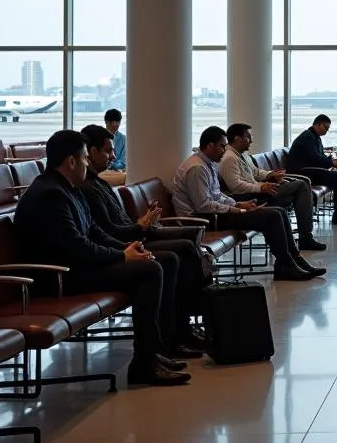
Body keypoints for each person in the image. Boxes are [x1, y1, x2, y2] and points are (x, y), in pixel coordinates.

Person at [13, 130, 192, 387]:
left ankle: (160, 347)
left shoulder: (69, 189)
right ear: (71, 161)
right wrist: (121, 255)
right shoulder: (50, 195)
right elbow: (76, 246)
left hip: (76, 267)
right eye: (85, 158)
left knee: (162, 260)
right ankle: (144, 363)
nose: (87, 163)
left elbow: (94, 231)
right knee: (149, 271)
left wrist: (129, 248)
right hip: (60, 276)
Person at [79, 124, 209, 351]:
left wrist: (142, 224)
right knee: (177, 253)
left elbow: (107, 227)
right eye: (108, 151)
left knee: (189, 239)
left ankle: (185, 323)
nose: (112, 156)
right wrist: (136, 233)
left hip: (129, 237)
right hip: (118, 245)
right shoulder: (85, 189)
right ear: (89, 153)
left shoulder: (98, 183)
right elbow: (106, 231)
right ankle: (177, 329)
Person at [173, 126, 323, 281]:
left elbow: (217, 195)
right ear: (210, 145)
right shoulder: (197, 168)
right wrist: (236, 209)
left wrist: (238, 205)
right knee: (272, 216)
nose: (225, 150)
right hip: (203, 220)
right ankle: (286, 265)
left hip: (214, 213)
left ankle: (294, 260)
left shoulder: (208, 164)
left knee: (279, 211)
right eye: (222, 146)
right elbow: (204, 206)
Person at [220, 123, 326, 251]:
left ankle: (303, 238)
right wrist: (261, 187)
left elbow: (256, 172)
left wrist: (271, 174)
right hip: (250, 197)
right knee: (301, 186)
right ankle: (305, 237)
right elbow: (236, 187)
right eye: (248, 137)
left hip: (259, 192)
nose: (251, 141)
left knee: (297, 191)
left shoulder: (242, 155)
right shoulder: (229, 158)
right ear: (237, 139)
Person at [286, 115, 337, 226]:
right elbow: (314, 158)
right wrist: (331, 163)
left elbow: (319, 156)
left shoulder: (315, 137)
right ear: (318, 124)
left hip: (312, 170)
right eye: (325, 128)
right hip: (303, 172)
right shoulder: (307, 137)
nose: (326, 131)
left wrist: (331, 160)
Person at [103, 108, 127, 184]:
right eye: (112, 122)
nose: (115, 125)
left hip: (117, 172)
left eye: (117, 122)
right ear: (106, 122)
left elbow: (124, 161)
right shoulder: (99, 136)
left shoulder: (123, 139)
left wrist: (112, 166)